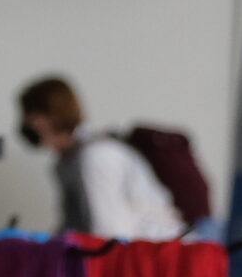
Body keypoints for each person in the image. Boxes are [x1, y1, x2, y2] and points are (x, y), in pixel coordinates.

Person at [16, 75, 184, 239]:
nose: (25, 124)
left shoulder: (96, 156)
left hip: (155, 246)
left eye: (31, 115)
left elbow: (108, 232)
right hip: (133, 246)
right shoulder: (63, 164)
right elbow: (72, 226)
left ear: (53, 115)